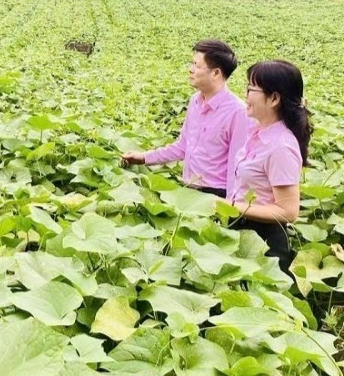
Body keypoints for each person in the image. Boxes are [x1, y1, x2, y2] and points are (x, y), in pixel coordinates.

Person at [121, 40, 250, 198]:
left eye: (197, 65)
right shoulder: (195, 101)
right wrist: (144, 157)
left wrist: (230, 208)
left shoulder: (238, 112)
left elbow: (237, 168)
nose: (191, 69)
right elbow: (183, 146)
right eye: (192, 63)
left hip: (217, 195)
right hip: (189, 188)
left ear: (216, 73)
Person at [229, 60, 313, 275]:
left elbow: (288, 211)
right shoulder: (258, 133)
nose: (245, 95)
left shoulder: (280, 146)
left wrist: (230, 206)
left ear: (274, 98)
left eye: (250, 89)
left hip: (265, 243)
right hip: (243, 230)